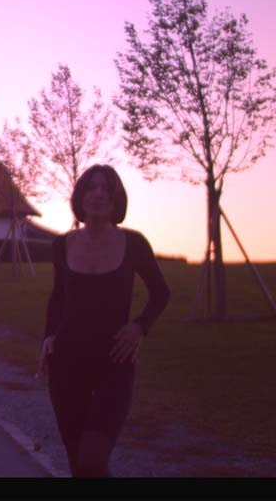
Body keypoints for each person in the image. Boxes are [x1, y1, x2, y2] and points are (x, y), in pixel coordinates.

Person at [36, 164, 171, 477]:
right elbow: (58, 298)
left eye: (107, 189)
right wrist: (48, 337)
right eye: (92, 187)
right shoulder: (62, 245)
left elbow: (161, 293)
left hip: (115, 362)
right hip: (67, 363)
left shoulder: (134, 244)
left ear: (117, 199)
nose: (98, 194)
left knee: (93, 461)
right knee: (78, 465)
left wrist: (140, 326)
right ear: (80, 195)